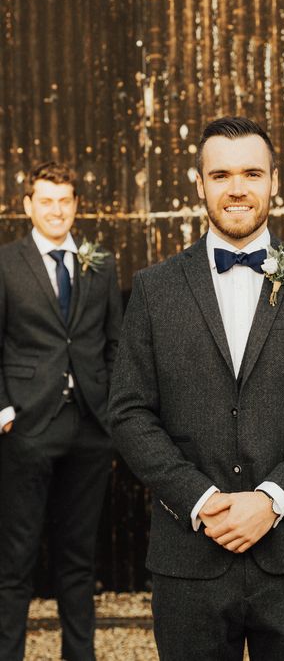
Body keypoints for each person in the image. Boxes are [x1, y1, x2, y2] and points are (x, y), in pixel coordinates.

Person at [109, 116, 284, 660]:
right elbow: (129, 411)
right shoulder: (155, 289)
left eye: (252, 172)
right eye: (221, 174)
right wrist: (202, 501)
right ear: (198, 183)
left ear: (275, 182)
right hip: (189, 554)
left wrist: (271, 501)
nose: (237, 188)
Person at [0, 161, 123, 661]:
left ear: (76, 205)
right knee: (15, 560)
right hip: (26, 426)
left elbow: (114, 342)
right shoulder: (6, 263)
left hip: (90, 428)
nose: (56, 210)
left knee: (78, 559)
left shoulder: (100, 261)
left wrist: (113, 409)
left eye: (65, 200)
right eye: (45, 200)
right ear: (27, 206)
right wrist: (4, 410)